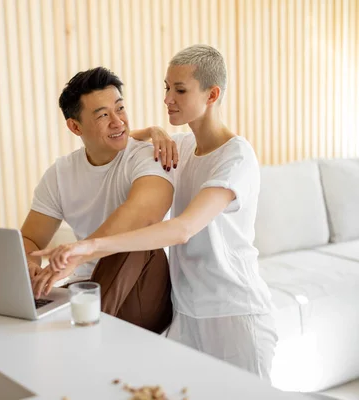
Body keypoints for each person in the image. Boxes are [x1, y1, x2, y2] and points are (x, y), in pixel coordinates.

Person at [33, 45, 277, 380]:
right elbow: (111, 139)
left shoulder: (235, 158)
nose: (167, 99)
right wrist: (151, 131)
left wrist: (87, 247)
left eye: (180, 90)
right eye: (166, 87)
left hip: (234, 312)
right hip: (186, 314)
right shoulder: (183, 147)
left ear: (212, 94)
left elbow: (182, 229)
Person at [23, 67, 177, 333]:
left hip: (144, 291)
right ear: (75, 126)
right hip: (86, 286)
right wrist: (30, 265)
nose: (118, 122)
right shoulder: (60, 174)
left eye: (120, 108)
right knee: (44, 298)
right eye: (103, 115)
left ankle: (85, 333)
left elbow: (145, 213)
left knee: (137, 239)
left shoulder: (146, 155)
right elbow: (31, 240)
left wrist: (78, 253)